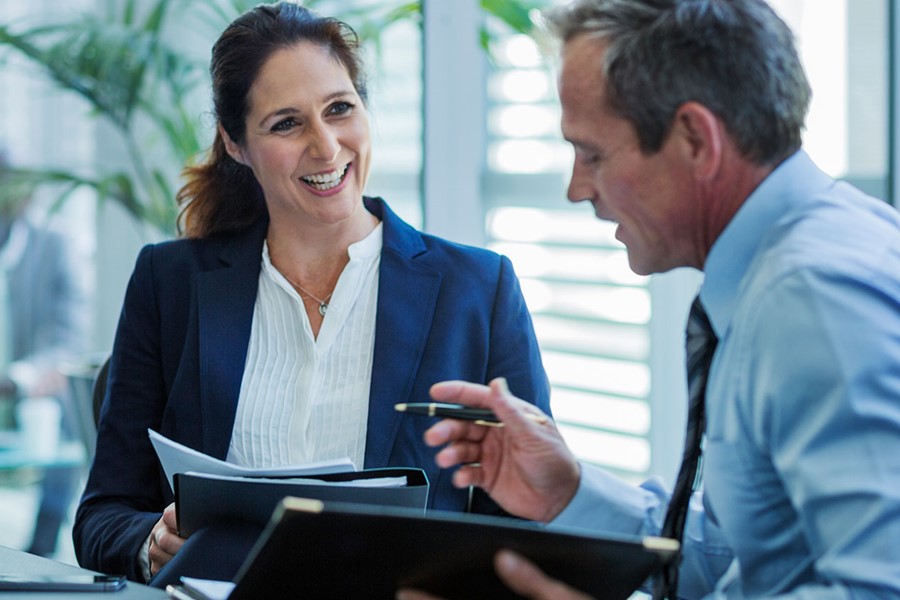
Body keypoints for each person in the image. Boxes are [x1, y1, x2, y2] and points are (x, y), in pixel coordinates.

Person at [398, 0, 900, 599]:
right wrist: (569, 492)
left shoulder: (813, 300)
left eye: (593, 154)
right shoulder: (783, 273)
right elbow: (744, 558)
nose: (577, 187)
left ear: (694, 138)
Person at [72, 1, 549, 587]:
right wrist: (150, 543)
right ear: (236, 143)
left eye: (340, 108)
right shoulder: (168, 284)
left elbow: (528, 524)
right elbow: (101, 517)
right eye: (286, 123)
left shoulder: (478, 289)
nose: (326, 148)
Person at [0, 150, 92, 558]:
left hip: (33, 391)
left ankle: (41, 546)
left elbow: (69, 338)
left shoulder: (55, 243)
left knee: (67, 403)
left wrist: (17, 379)